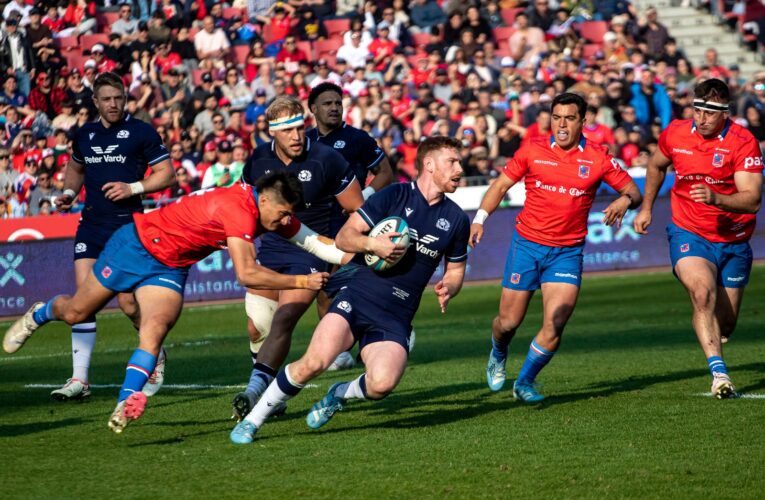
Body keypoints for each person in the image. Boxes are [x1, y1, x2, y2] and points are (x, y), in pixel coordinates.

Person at [3, 172, 351, 434]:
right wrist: (302, 281)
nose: (286, 221)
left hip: (170, 265)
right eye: (283, 213)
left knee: (154, 331)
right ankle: (41, 312)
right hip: (136, 244)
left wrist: (367, 250)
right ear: (264, 200)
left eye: (290, 214)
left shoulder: (268, 209)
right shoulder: (239, 210)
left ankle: (125, 403)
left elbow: (318, 245)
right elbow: (246, 274)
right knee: (77, 311)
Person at [230, 136, 470, 444]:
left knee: (381, 385)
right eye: (452, 162)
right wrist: (373, 244)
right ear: (429, 164)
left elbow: (456, 268)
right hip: (357, 297)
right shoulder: (393, 196)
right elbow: (344, 237)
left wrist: (449, 285)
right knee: (313, 363)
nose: (459, 169)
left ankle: (339, 393)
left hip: (397, 316)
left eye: (459, 162)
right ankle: (253, 420)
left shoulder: (456, 219)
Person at [470, 93, 642, 403]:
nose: (561, 124)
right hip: (527, 246)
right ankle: (498, 351)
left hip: (567, 251)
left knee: (556, 322)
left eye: (569, 118)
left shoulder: (598, 158)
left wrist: (625, 199)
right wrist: (480, 219)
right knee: (508, 323)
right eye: (557, 117)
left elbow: (633, 191)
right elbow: (500, 186)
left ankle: (524, 382)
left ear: (583, 122)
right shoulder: (532, 151)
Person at [230, 95, 364, 421]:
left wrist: (344, 249)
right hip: (271, 250)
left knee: (283, 321)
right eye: (287, 130)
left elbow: (358, 209)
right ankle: (267, 389)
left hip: (309, 252)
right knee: (256, 328)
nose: (296, 136)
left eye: (299, 127)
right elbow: (245, 205)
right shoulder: (258, 160)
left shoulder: (327, 159)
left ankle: (253, 394)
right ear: (272, 132)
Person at [633, 79, 763, 399]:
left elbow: (752, 200)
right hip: (688, 231)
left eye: (710, 112)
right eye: (697, 110)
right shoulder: (675, 133)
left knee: (727, 323)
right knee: (701, 293)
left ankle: (717, 336)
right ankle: (719, 374)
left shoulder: (743, 142)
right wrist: (646, 207)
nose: (702, 118)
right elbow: (655, 165)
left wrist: (716, 198)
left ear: (725, 113)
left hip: (733, 240)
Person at [49, 72, 176, 402]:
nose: (114, 104)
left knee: (129, 302)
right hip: (91, 226)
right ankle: (80, 379)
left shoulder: (141, 132)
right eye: (107, 99)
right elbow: (76, 169)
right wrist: (67, 192)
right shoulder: (85, 135)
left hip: (129, 228)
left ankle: (155, 353)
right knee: (82, 302)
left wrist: (133, 187)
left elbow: (168, 175)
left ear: (126, 98)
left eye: (119, 98)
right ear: (96, 102)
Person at [306, 82, 394, 369]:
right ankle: (337, 350)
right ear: (313, 109)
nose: (334, 107)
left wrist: (363, 199)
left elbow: (385, 173)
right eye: (327, 103)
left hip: (353, 224)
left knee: (363, 283)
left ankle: (378, 336)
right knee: (324, 286)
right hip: (316, 223)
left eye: (337, 102)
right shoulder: (304, 141)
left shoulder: (358, 139)